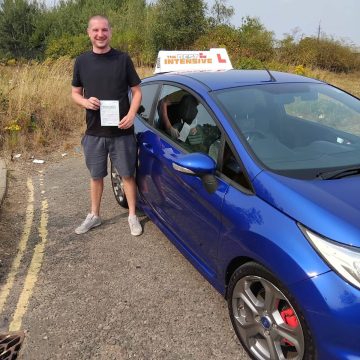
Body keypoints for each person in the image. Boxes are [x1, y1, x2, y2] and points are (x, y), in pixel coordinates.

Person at [71, 15, 142, 236]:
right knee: (96, 176)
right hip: (94, 132)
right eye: (95, 30)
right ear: (89, 33)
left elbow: (137, 91)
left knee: (127, 174)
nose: (100, 34)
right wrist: (85, 101)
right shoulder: (81, 62)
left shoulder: (122, 59)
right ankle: (94, 215)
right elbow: (75, 93)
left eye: (104, 30)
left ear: (110, 32)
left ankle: (132, 215)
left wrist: (132, 114)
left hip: (122, 131)